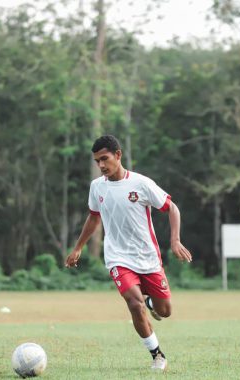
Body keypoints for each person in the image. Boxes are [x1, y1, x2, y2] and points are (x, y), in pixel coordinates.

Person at [65, 135, 193, 372]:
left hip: (148, 258)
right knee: (134, 303)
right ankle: (157, 355)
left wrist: (175, 240)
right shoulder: (97, 187)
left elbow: (171, 208)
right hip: (118, 258)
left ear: (118, 155)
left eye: (105, 159)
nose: (101, 165)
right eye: (97, 161)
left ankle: (153, 302)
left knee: (165, 311)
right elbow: (94, 217)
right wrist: (78, 247)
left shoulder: (141, 184)